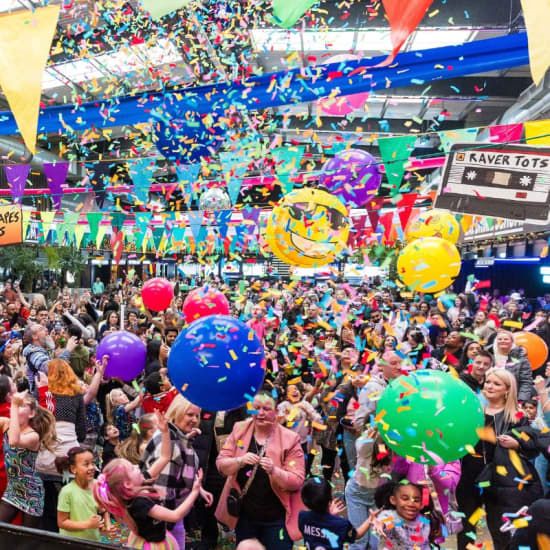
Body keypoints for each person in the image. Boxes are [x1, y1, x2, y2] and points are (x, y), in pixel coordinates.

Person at [456, 368, 542, 549]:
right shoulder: (473, 411)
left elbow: (533, 446)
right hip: (469, 476)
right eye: (488, 382)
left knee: (501, 529)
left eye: (496, 384)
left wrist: (517, 444)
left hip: (500, 481)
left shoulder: (516, 416)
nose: (490, 386)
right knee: (466, 528)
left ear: (507, 389)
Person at [94, 412, 202, 549]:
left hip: (154, 537)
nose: (136, 466)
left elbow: (164, 457)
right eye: (132, 468)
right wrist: (194, 492)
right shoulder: (140, 504)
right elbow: (175, 515)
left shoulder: (140, 481)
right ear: (127, 484)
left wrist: (165, 432)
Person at [216, 393, 305, 549]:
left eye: (266, 409)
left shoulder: (290, 439)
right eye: (256, 408)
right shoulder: (240, 429)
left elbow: (296, 480)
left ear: (276, 411)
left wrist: (274, 471)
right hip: (245, 516)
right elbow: (221, 464)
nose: (260, 413)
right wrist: (239, 461)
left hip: (277, 518)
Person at [0, 391, 56, 527]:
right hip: (13, 490)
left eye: (21, 405)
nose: (16, 407)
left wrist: (14, 405)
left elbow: (14, 441)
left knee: (28, 536)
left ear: (31, 414)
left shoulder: (33, 436)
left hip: (32, 492)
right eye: (16, 405)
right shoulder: (6, 424)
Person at [298, 476, 378, 550]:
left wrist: (329, 516)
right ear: (330, 501)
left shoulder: (302, 517)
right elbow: (357, 535)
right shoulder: (341, 524)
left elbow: (319, 526)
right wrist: (370, 519)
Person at [57, 446, 110, 541]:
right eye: (86, 464)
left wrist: (107, 525)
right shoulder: (67, 492)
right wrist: (88, 524)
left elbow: (104, 509)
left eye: (93, 463)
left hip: (93, 540)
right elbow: (62, 522)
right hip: (71, 543)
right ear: (73, 469)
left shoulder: (98, 485)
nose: (92, 467)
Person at [372, 481, 440, 549]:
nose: (410, 504)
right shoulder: (392, 517)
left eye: (416, 500)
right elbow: (386, 521)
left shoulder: (423, 520)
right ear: (393, 500)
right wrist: (381, 524)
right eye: (405, 499)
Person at [492, 329, 534, 401]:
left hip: (512, 399)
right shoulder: (491, 357)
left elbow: (526, 382)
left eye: (506, 339)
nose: (502, 341)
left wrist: (521, 400)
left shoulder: (521, 359)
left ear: (512, 342)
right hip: (492, 398)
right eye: (500, 339)